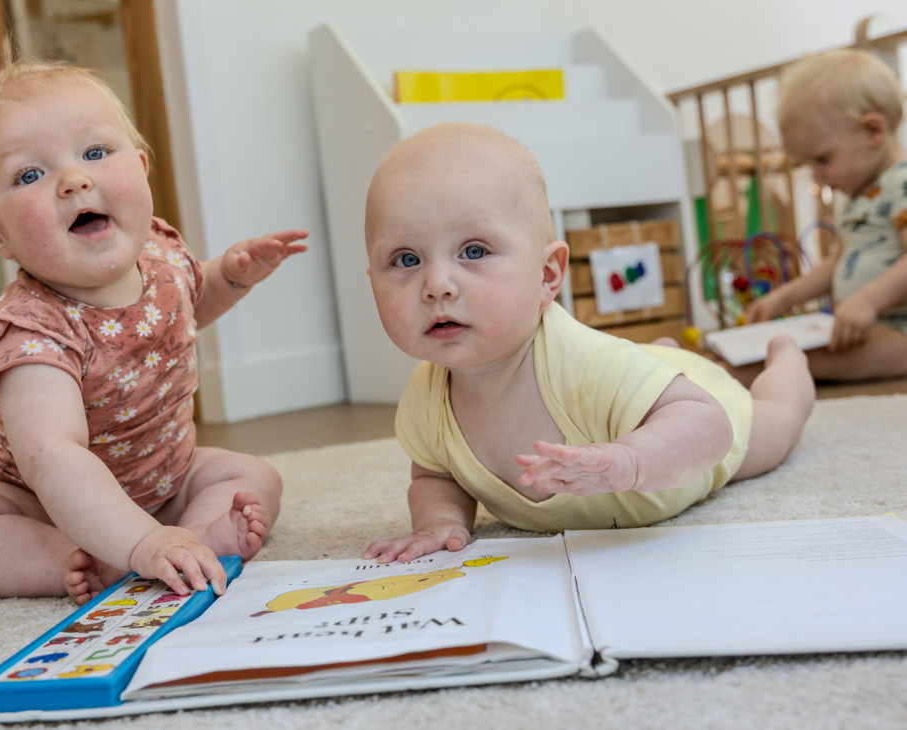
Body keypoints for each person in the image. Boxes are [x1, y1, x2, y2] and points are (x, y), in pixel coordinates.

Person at [0, 62, 308, 604]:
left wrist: (231, 279)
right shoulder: (32, 332)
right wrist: (138, 541)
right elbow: (53, 454)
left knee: (251, 475)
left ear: (141, 169)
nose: (74, 179)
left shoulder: (164, 255)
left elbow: (187, 306)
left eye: (95, 152)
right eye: (30, 175)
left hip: (167, 478)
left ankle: (194, 537)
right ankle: (81, 559)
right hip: (46, 507)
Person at [360, 122, 814, 564]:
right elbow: (436, 475)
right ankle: (664, 355)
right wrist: (439, 520)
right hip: (634, 377)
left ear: (547, 275)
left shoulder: (585, 363)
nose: (437, 285)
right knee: (637, 375)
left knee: (776, 422)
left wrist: (631, 460)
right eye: (406, 259)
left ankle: (787, 357)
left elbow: (709, 426)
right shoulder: (425, 400)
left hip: (702, 412)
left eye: (473, 251)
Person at [743, 48, 907, 381]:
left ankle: (740, 376)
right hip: (874, 328)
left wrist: (868, 301)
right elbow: (837, 264)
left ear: (872, 131)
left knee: (806, 359)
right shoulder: (860, 199)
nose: (816, 176)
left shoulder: (901, 183)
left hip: (900, 331)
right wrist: (783, 298)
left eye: (822, 159)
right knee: (795, 349)